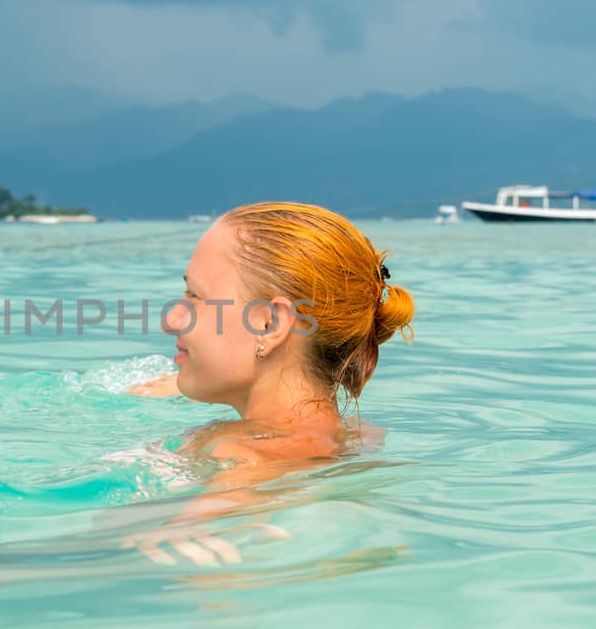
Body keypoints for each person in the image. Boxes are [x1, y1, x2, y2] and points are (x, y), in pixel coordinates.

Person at [124, 201, 415, 564]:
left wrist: (194, 529)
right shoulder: (359, 434)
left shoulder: (240, 452)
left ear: (268, 324)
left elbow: (211, 527)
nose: (172, 319)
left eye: (195, 296)